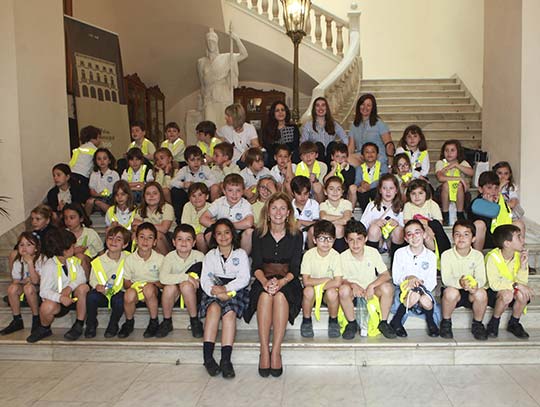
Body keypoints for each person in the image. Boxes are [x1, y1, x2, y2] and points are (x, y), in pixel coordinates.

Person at [245, 192, 303, 377]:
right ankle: (264, 350)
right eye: (274, 208)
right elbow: (256, 266)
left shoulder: (296, 234)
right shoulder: (258, 233)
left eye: (282, 208)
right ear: (268, 212)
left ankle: (276, 350)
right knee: (264, 296)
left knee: (279, 296)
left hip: (288, 280)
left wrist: (281, 282)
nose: (278, 212)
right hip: (263, 279)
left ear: (288, 213)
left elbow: (295, 267)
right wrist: (264, 282)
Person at [200, 219, 251, 379]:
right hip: (214, 289)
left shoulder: (241, 254)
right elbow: (205, 280)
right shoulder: (210, 256)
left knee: (229, 313)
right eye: (219, 233)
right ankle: (207, 357)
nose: (223, 236)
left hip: (235, 289)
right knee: (213, 309)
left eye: (227, 232)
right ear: (214, 237)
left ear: (233, 234)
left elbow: (244, 278)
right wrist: (216, 292)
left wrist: (226, 290)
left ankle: (226, 360)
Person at [27, 228, 89, 343]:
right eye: (72, 246)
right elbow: (44, 291)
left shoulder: (73, 261)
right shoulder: (49, 266)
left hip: (74, 298)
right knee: (47, 306)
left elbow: (82, 278)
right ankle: (44, 328)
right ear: (64, 250)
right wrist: (60, 297)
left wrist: (70, 287)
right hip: (58, 302)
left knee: (83, 288)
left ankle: (79, 324)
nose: (74, 248)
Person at [338, 220, 397, 339]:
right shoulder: (342, 256)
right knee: (343, 289)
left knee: (387, 287)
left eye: (359, 239)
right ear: (346, 240)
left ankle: (383, 322)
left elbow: (386, 275)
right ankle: (351, 323)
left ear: (365, 239)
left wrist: (372, 286)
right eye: (351, 240)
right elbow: (339, 279)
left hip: (371, 292)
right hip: (353, 294)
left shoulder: (373, 252)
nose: (355, 244)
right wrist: (352, 285)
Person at [440, 220, 488, 340]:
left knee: (481, 293)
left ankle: (477, 324)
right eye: (457, 234)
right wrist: (460, 283)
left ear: (473, 239)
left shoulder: (477, 255)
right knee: (450, 292)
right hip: (454, 289)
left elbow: (482, 278)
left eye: (466, 234)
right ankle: (446, 322)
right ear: (453, 237)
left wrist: (475, 285)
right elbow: (446, 279)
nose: (461, 238)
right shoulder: (446, 255)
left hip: (471, 290)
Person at [390, 220, 439, 337]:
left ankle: (430, 321)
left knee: (425, 300)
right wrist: (409, 279)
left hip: (423, 288)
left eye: (417, 232)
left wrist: (419, 285)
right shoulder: (400, 253)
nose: (414, 237)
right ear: (406, 239)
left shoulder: (431, 256)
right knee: (414, 295)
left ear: (424, 235)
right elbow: (396, 278)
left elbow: (432, 281)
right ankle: (396, 321)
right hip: (404, 288)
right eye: (409, 234)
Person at [485, 224, 534, 339]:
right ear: (507, 243)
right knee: (507, 295)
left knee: (523, 294)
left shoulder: (519, 256)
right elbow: (494, 284)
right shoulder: (492, 257)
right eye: (519, 237)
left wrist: (523, 266)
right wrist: (516, 285)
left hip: (512, 290)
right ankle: (494, 322)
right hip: (493, 293)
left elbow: (523, 282)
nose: (523, 240)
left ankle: (514, 323)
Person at [118, 222, 165, 339]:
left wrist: (153, 284)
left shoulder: (160, 259)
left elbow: (164, 283)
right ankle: (129, 322)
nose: (145, 241)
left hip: (153, 291)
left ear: (154, 242)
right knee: (128, 294)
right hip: (135, 289)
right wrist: (135, 286)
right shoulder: (129, 259)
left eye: (150, 238)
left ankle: (154, 321)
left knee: (148, 289)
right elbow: (126, 282)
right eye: (142, 237)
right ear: (136, 240)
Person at [159, 224, 205, 338]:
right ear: (174, 242)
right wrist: (186, 277)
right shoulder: (169, 257)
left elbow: (203, 279)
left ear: (194, 243)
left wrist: (188, 281)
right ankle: (167, 321)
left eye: (188, 239)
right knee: (169, 288)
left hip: (193, 293)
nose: (184, 243)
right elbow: (163, 278)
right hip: (175, 294)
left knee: (186, 286)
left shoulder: (199, 256)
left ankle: (194, 320)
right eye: (180, 239)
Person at [85, 226, 131, 338]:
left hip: (119, 292)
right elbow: (92, 279)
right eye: (110, 238)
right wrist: (97, 286)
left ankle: (113, 324)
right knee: (91, 297)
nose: (113, 241)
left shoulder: (130, 258)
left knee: (120, 299)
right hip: (102, 293)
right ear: (106, 241)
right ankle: (91, 323)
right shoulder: (98, 261)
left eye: (118, 239)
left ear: (125, 244)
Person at [198, 28, 248, 128]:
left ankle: (224, 143)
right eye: (209, 41)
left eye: (213, 41)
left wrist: (236, 39)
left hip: (223, 94)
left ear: (217, 43)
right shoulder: (201, 62)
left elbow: (244, 54)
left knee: (224, 123)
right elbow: (202, 83)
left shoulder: (225, 57)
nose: (211, 44)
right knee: (209, 125)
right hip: (209, 97)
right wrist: (201, 100)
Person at [300, 220, 342, 338]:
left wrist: (319, 283)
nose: (326, 243)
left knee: (333, 293)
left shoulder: (335, 256)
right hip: (312, 292)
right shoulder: (308, 255)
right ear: (314, 240)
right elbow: (306, 281)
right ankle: (306, 320)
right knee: (308, 291)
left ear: (334, 240)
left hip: (327, 293)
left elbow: (337, 282)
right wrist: (326, 279)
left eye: (329, 239)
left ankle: (333, 321)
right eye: (321, 238)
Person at [1, 232, 46, 335]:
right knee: (12, 288)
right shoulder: (18, 261)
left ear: (36, 248)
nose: (24, 248)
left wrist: (30, 263)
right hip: (25, 287)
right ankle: (17, 319)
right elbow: (16, 280)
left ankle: (36, 318)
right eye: (21, 245)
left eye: (28, 245)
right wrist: (25, 280)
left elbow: (36, 281)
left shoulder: (41, 259)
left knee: (29, 288)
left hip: (40, 290)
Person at [468, 171, 524, 251]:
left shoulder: (500, 200)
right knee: (479, 224)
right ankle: (478, 256)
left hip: (502, 235)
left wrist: (498, 203)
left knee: (519, 223)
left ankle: (518, 255)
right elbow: (485, 223)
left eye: (496, 188)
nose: (493, 191)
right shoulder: (476, 203)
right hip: (486, 238)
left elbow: (507, 216)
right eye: (489, 188)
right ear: (480, 189)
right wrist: (490, 206)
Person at [200, 174, 254, 254]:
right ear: (224, 191)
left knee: (249, 232)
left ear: (243, 191)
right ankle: (217, 256)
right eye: (230, 190)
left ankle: (243, 257)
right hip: (221, 235)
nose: (234, 194)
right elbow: (203, 219)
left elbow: (249, 222)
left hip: (237, 235)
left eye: (238, 190)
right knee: (209, 233)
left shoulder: (245, 204)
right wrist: (221, 227)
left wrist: (229, 226)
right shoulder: (219, 202)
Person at [360, 174, 405, 259]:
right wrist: (374, 222)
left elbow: (406, 228)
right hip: (377, 240)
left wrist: (398, 224)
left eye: (391, 188)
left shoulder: (401, 207)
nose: (388, 192)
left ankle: (395, 263)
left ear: (396, 190)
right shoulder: (372, 205)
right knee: (374, 228)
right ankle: (372, 263)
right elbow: (362, 226)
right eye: (384, 188)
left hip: (392, 242)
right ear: (380, 190)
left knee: (399, 230)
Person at [403, 179, 451, 256]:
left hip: (432, 234)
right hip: (415, 234)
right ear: (409, 195)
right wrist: (424, 224)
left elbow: (439, 223)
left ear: (426, 194)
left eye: (420, 193)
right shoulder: (408, 205)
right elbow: (407, 222)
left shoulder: (432, 204)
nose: (417, 196)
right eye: (413, 194)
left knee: (434, 227)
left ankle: (437, 255)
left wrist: (426, 225)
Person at [170, 145, 216, 224]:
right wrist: (183, 184)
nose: (196, 162)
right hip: (189, 195)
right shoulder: (184, 170)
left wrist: (200, 185)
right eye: (192, 160)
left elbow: (214, 180)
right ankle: (179, 218)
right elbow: (172, 182)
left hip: (202, 195)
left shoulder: (204, 169)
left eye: (198, 159)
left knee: (213, 188)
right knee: (175, 191)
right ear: (187, 161)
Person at [348, 94, 394, 169]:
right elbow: (351, 147)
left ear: (373, 108)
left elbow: (389, 145)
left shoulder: (379, 123)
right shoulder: (354, 125)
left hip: (377, 157)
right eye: (362, 104)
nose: (365, 107)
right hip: (362, 157)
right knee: (346, 159)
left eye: (368, 105)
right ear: (358, 106)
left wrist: (390, 166)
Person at [435, 139, 473, 225]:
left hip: (461, 191)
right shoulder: (441, 163)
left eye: (452, 150)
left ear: (458, 152)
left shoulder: (462, 163)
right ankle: (445, 214)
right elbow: (440, 177)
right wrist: (458, 178)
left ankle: (460, 213)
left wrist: (456, 165)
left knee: (459, 186)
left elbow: (471, 173)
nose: (449, 153)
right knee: (446, 185)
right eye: (446, 150)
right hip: (442, 191)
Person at [301, 97, 348, 164]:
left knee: (333, 144)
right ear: (314, 109)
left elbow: (345, 137)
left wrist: (346, 152)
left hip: (331, 158)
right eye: (317, 105)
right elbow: (303, 144)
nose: (320, 108)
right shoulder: (308, 125)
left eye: (323, 105)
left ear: (327, 108)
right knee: (318, 145)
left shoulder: (334, 124)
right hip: (316, 159)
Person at [63, 203, 104, 279]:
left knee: (80, 257)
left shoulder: (90, 233)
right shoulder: (62, 234)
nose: (68, 221)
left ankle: (85, 283)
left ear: (81, 218)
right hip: (68, 265)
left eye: (72, 218)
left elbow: (101, 253)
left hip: (89, 265)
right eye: (66, 218)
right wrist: (74, 251)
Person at [133, 182, 175, 255]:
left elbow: (164, 228)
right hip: (148, 235)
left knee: (157, 235)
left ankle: (166, 261)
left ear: (160, 195)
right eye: (148, 194)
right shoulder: (140, 209)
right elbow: (134, 226)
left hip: (168, 237)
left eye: (155, 193)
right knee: (135, 235)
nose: (151, 196)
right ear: (144, 196)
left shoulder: (167, 207)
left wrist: (142, 224)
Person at [348, 142, 387, 211]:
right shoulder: (359, 168)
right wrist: (361, 184)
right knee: (361, 192)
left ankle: (378, 211)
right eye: (367, 152)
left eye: (373, 152)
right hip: (365, 191)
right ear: (362, 156)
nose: (370, 154)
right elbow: (357, 182)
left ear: (377, 155)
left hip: (377, 190)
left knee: (376, 190)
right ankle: (366, 213)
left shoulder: (382, 166)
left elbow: (383, 179)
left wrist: (369, 186)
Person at [319, 176, 353, 252]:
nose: (335, 192)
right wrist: (341, 217)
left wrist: (330, 221)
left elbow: (346, 220)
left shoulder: (346, 203)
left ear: (342, 192)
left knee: (338, 228)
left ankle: (339, 254)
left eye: (338, 189)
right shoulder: (323, 204)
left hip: (344, 234)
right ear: (325, 191)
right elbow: (323, 217)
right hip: (328, 233)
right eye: (331, 189)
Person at [262, 101, 301, 166]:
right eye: (277, 110)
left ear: (286, 112)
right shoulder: (267, 129)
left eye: (282, 110)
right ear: (273, 113)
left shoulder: (293, 127)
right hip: (274, 159)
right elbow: (268, 147)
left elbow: (295, 145)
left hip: (290, 157)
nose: (280, 112)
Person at [85, 148, 119, 217]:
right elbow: (92, 191)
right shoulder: (94, 174)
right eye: (99, 159)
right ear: (96, 161)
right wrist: (99, 195)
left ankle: (113, 217)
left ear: (109, 160)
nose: (102, 161)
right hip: (97, 196)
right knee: (89, 202)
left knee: (101, 203)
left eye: (104, 158)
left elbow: (117, 190)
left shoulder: (114, 174)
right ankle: (86, 221)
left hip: (110, 198)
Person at [69, 125, 102, 193]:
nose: (100, 140)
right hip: (82, 176)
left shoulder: (80, 148)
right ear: (92, 138)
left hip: (71, 174)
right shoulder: (94, 149)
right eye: (99, 137)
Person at [291, 175, 320, 249]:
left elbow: (317, 224)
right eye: (299, 194)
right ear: (293, 193)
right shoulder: (288, 206)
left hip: (309, 240)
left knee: (313, 229)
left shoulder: (314, 204)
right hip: (293, 238)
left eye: (305, 194)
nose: (302, 197)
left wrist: (301, 222)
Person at [181, 183, 211, 253]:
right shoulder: (187, 206)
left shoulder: (211, 207)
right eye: (193, 196)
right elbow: (185, 224)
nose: (197, 198)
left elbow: (208, 227)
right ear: (189, 198)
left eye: (200, 195)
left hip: (204, 235)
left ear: (207, 196)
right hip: (190, 234)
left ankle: (204, 258)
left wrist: (198, 233)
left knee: (200, 237)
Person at [493, 161, 526, 225]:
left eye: (506, 174)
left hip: (510, 216)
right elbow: (492, 204)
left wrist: (500, 204)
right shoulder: (491, 187)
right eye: (500, 173)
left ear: (510, 175)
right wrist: (500, 187)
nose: (503, 176)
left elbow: (512, 204)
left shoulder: (511, 187)